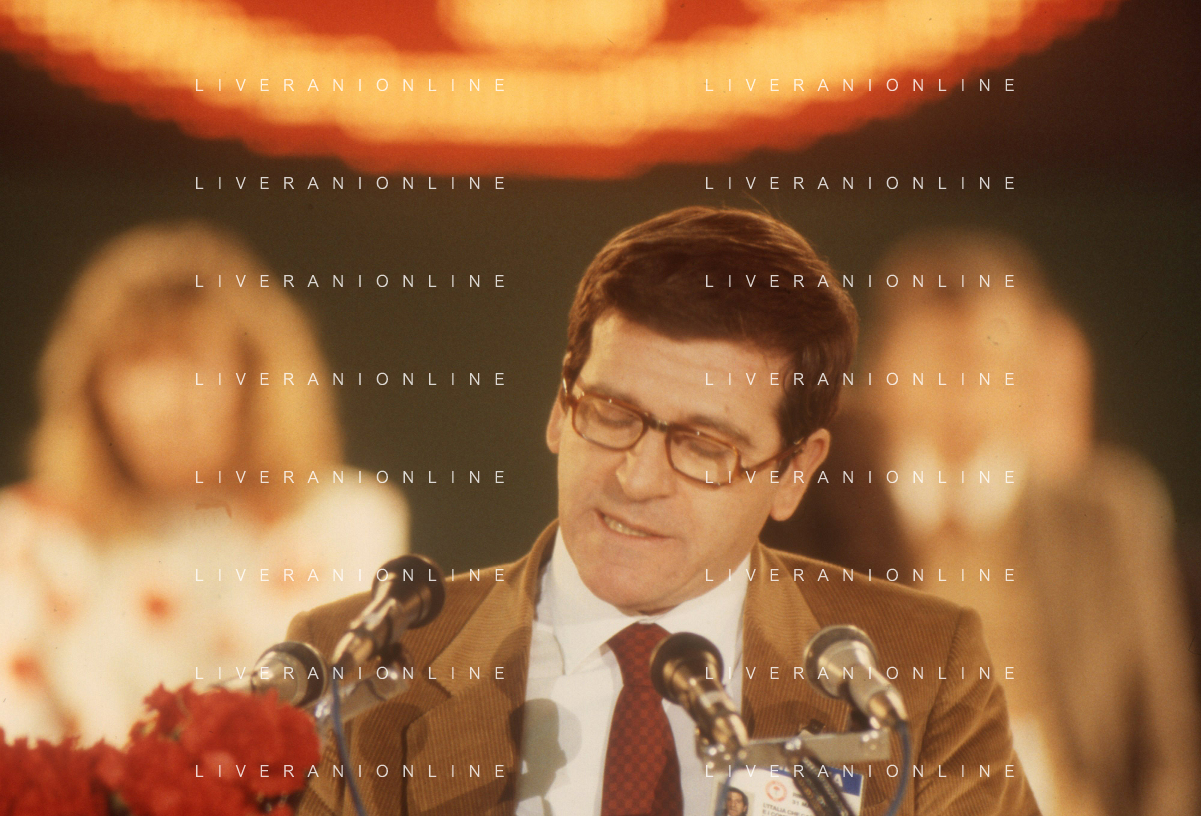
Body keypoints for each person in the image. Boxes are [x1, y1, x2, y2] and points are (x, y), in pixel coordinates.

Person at [288, 207, 1039, 815]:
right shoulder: (355, 677)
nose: (636, 477)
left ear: (792, 473)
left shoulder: (921, 675)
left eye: (704, 446)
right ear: (559, 407)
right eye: (612, 415)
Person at [770, 231, 1199, 816]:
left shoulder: (1107, 515)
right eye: (941, 357)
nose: (965, 383)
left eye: (991, 358)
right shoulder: (806, 507)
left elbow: (1166, 747)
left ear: (1032, 372)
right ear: (883, 367)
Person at [0, 222, 409, 744]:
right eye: (138, 364)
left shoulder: (348, 518)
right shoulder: (27, 535)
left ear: (254, 378)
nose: (167, 402)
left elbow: (352, 727)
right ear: (92, 389)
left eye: (194, 362)